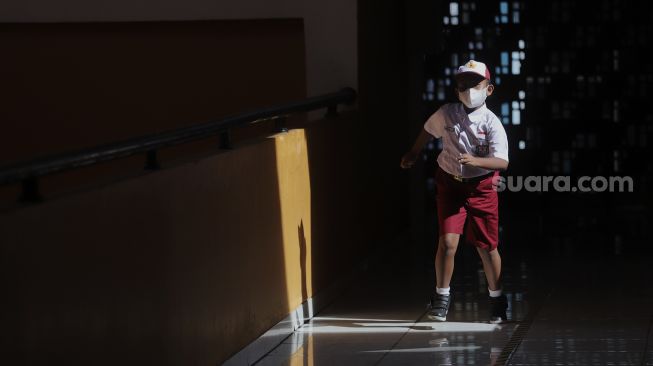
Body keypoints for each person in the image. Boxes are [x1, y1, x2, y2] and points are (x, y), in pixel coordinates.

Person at [400, 60, 510, 323]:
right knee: (448, 242)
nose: (469, 90)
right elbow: (428, 131)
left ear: (489, 89)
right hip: (450, 183)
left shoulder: (491, 123)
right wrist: (414, 152)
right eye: (463, 85)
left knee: (486, 246)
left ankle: (497, 300)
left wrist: (477, 162)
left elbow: (502, 162)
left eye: (475, 85)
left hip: (482, 187)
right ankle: (441, 297)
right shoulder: (447, 113)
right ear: (456, 89)